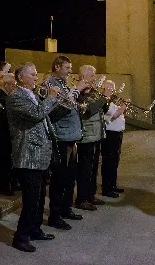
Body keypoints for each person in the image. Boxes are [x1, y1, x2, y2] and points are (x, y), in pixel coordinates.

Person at [7, 62, 60, 252]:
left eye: (37, 74)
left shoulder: (33, 95)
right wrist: (52, 98)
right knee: (30, 199)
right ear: (21, 78)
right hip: (27, 155)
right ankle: (21, 236)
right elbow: (37, 114)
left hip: (40, 153)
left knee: (38, 198)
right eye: (33, 74)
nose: (37, 78)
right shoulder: (16, 97)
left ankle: (35, 229)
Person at [43, 55, 88, 230]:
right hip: (61, 138)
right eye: (67, 68)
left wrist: (79, 104)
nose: (70, 71)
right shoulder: (50, 84)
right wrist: (76, 90)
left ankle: (65, 209)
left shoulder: (63, 85)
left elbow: (68, 103)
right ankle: (55, 216)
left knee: (69, 177)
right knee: (59, 179)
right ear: (57, 67)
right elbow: (57, 109)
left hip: (71, 137)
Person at [75, 65, 112, 211]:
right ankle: (82, 198)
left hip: (96, 135)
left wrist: (105, 100)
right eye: (92, 76)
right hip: (86, 137)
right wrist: (103, 98)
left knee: (93, 168)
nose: (94, 79)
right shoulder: (79, 93)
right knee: (85, 169)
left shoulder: (93, 92)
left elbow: (103, 109)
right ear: (83, 76)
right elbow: (88, 111)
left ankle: (90, 195)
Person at [0, 69, 19, 196]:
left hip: (7, 133)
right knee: (5, 162)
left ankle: (11, 184)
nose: (15, 87)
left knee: (9, 161)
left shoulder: (7, 96)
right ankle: (4, 186)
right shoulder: (1, 96)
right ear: (6, 85)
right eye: (13, 85)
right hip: (2, 134)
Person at [101, 80, 127, 196]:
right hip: (110, 134)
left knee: (115, 161)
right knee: (109, 162)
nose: (113, 91)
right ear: (105, 88)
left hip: (117, 134)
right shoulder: (105, 102)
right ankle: (107, 188)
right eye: (110, 88)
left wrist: (121, 109)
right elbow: (112, 115)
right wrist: (122, 108)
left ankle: (113, 184)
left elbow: (118, 114)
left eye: (113, 88)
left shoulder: (112, 101)